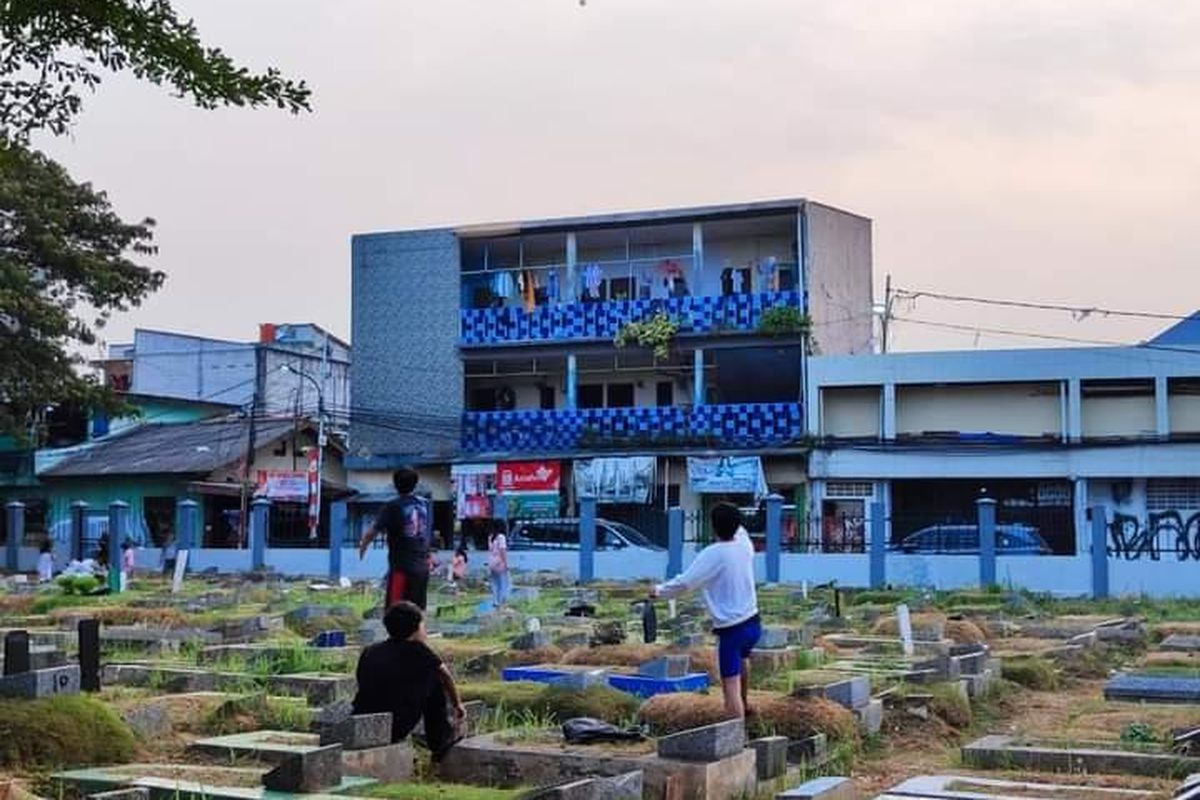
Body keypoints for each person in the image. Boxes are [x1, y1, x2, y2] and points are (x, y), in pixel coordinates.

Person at [651, 502, 760, 719]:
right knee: (742, 660)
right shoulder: (744, 545)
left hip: (732, 629)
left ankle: (735, 737)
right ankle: (746, 705)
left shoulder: (714, 554)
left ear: (713, 527)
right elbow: (738, 526)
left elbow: (685, 583)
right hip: (753, 622)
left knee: (730, 689)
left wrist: (658, 591)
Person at [351, 601, 465, 760]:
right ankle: (440, 744)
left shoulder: (371, 651)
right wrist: (457, 704)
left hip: (361, 721)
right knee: (435, 681)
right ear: (416, 629)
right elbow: (445, 675)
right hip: (396, 725)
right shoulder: (420, 652)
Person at [358, 467, 432, 610]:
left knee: (394, 611)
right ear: (415, 485)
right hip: (422, 567)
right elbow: (425, 533)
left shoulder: (393, 506)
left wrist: (363, 546)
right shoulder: (424, 505)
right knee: (417, 612)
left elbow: (373, 531)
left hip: (402, 568)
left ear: (394, 485)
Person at [487, 524, 509, 609]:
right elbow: (502, 550)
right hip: (499, 562)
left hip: (492, 562)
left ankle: (495, 601)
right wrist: (506, 563)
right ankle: (502, 602)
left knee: (494, 583)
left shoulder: (491, 537)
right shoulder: (501, 537)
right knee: (503, 583)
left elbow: (490, 551)